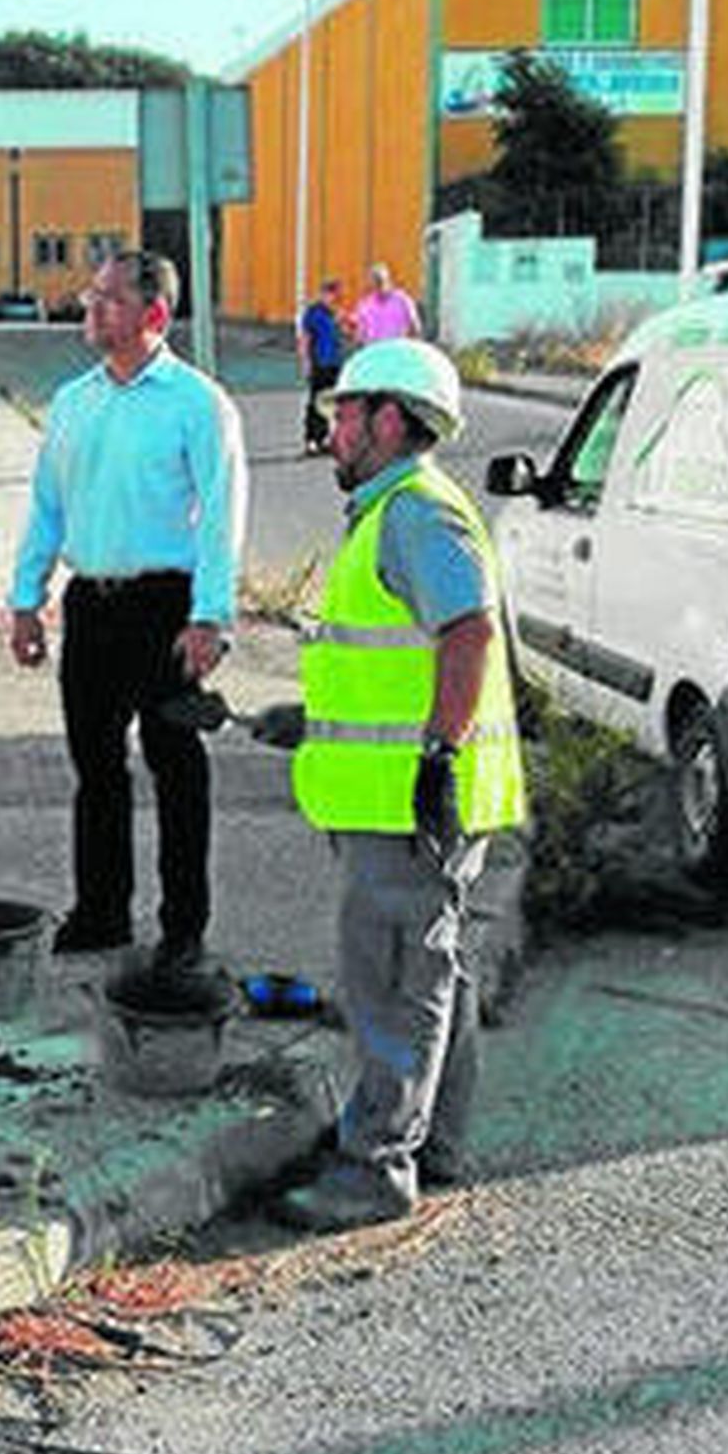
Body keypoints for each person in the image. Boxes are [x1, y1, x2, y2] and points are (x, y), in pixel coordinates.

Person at [250, 339, 526, 1232]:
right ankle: (433, 1141)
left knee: (397, 980)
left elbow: (469, 632)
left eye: (345, 413)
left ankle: (377, 1167)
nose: (331, 428)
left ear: (391, 420)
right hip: (398, 794)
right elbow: (396, 660)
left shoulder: (416, 513)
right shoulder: (390, 513)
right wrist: (309, 718)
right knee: (435, 970)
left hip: (411, 803)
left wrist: (438, 758)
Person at [7, 249, 248, 969]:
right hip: (91, 605)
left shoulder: (198, 403)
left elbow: (222, 517)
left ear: (155, 314)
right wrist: (26, 599)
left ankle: (183, 927)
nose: (91, 306)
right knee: (96, 767)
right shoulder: (73, 401)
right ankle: (103, 912)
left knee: (177, 768)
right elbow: (47, 507)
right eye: (92, 294)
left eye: (109, 298)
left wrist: (211, 617)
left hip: (166, 607)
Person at [296, 276, 346, 453]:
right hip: (320, 363)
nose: (333, 298)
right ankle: (311, 439)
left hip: (335, 363)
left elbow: (344, 335)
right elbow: (305, 339)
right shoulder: (313, 313)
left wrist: (345, 325)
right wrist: (305, 362)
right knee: (315, 401)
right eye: (331, 294)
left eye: (336, 295)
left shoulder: (337, 313)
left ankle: (324, 437)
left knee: (330, 402)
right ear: (324, 294)